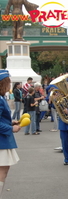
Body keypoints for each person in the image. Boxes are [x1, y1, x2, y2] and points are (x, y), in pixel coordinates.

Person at [0, 70, 22, 198]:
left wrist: (10, 122)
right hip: (1, 141)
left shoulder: (2, 97)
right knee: (2, 172)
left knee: (3, 171)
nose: (10, 84)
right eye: (9, 81)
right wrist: (11, 128)